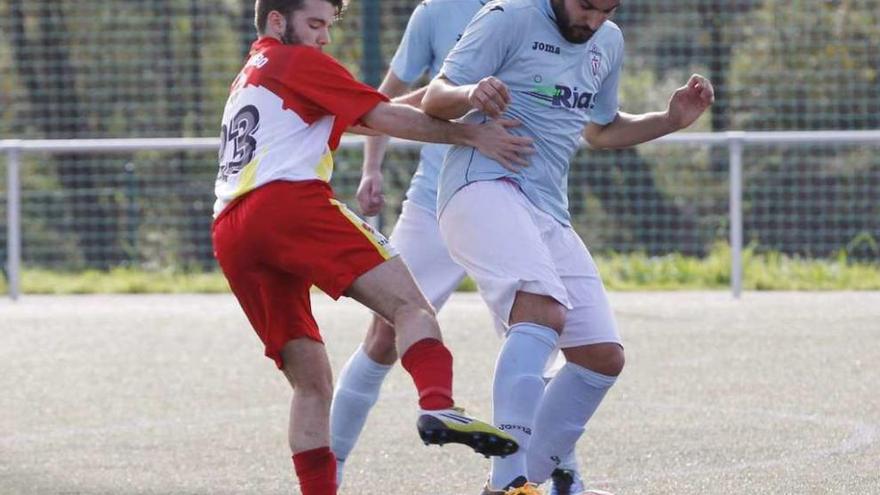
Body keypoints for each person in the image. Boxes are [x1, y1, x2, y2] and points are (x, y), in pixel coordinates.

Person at [211, 1, 534, 493]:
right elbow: (385, 118)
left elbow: (369, 116)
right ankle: (437, 406)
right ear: (278, 21)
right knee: (412, 309)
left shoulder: (254, 73)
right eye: (315, 24)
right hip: (287, 206)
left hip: (232, 231)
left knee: (312, 381)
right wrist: (470, 133)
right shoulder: (296, 61)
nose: (324, 37)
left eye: (328, 27)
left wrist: (446, 94)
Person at [420, 0, 715, 493]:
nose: (594, 21)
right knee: (542, 309)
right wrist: (472, 92)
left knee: (601, 357)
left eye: (607, 9)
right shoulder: (507, 16)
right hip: (481, 186)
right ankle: (510, 482)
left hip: (546, 209)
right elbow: (434, 96)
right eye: (586, 6)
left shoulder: (608, 41)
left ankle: (524, 482)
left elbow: (600, 130)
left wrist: (668, 120)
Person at [327, 2, 584, 493]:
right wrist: (371, 168)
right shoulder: (435, 12)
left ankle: (560, 473)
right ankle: (329, 465)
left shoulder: (548, 12)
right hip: (435, 202)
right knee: (384, 336)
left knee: (537, 333)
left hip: (518, 202)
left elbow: (574, 98)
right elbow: (392, 97)